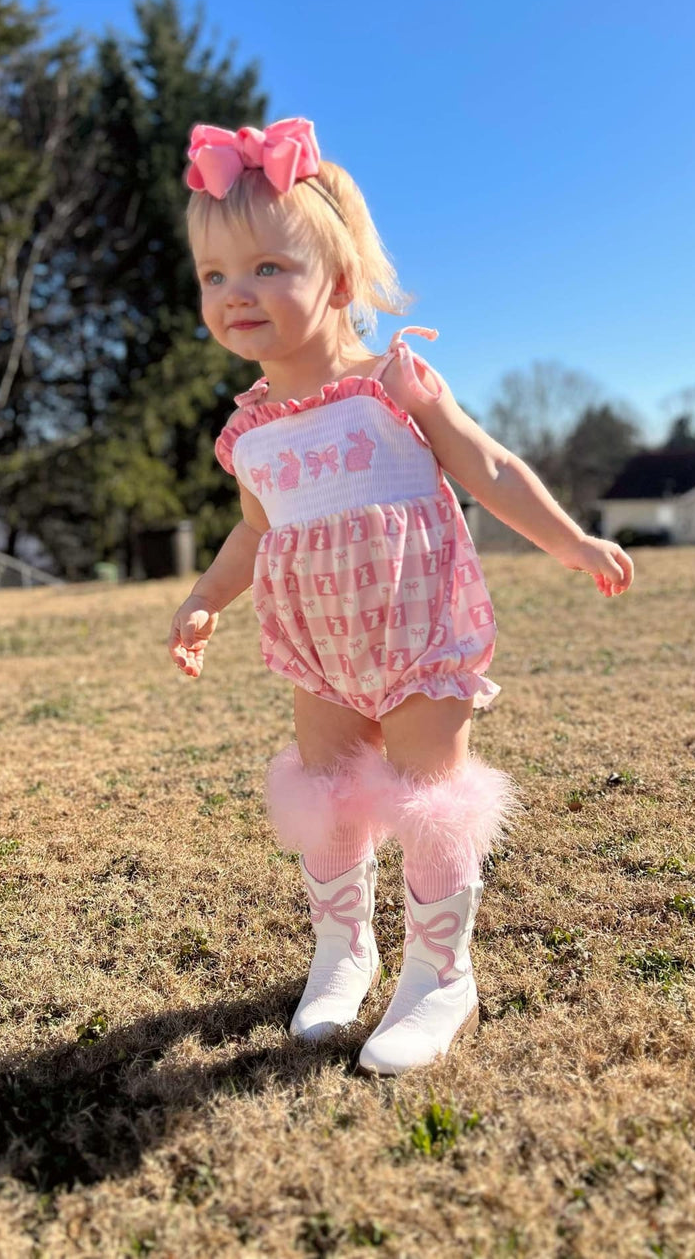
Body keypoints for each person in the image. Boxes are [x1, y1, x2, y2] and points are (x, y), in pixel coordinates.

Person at [168, 118, 634, 1077]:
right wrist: (209, 598)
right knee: (331, 795)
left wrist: (572, 539)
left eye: (264, 268)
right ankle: (343, 950)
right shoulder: (248, 431)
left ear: (337, 282)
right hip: (321, 646)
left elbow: (489, 466)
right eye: (215, 276)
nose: (234, 294)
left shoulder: (392, 384)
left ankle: (439, 972)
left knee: (429, 799)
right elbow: (256, 531)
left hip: (419, 631)